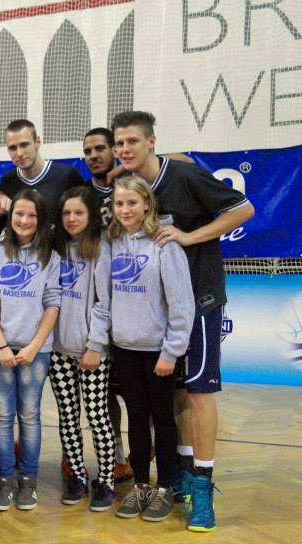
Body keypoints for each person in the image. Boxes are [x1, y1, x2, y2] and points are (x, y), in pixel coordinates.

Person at [112, 110, 254, 532]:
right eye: (120, 143)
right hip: (161, 313)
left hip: (201, 299)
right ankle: (180, 477)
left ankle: (203, 488)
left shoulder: (185, 176)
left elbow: (244, 209)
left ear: (151, 142)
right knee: (172, 398)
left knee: (199, 394)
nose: (124, 149)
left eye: (132, 142)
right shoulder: (129, 188)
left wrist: (191, 237)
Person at [107, 175, 195, 523]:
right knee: (136, 419)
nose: (125, 209)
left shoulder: (164, 245)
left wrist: (171, 352)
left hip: (158, 352)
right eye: (119, 203)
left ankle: (166, 487)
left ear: (146, 204)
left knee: (163, 419)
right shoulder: (112, 244)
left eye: (132, 203)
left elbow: (181, 304)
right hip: (124, 349)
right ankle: (141, 485)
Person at [0, 189, 61, 512]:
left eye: (31, 215)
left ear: (40, 219)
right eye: (19, 214)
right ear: (10, 217)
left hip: (35, 351)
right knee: (2, 415)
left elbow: (53, 303)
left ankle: (28, 482)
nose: (24, 220)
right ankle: (4, 480)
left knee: (30, 415)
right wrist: (0, 344)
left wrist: (34, 346)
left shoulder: (50, 256)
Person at [47, 186, 116, 511]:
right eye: (66, 213)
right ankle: (76, 475)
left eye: (78, 212)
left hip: (91, 351)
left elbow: (104, 302)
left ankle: (106, 479)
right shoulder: (55, 248)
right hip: (59, 350)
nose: (72, 218)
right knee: (67, 416)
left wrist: (95, 345)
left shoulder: (100, 248)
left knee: (97, 415)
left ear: (91, 215)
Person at [80, 127, 133, 483]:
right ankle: (116, 454)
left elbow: (185, 161)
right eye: (88, 151)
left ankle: (151, 453)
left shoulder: (132, 184)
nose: (94, 155)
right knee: (106, 395)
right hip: (98, 302)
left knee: (140, 395)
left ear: (114, 150)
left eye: (100, 148)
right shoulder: (83, 192)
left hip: (133, 299)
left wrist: (126, 170)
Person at [0, 119, 83, 218]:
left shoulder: (67, 175)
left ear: (37, 142)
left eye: (24, 145)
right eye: (12, 148)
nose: (19, 153)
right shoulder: (7, 182)